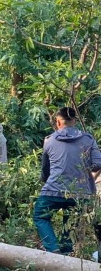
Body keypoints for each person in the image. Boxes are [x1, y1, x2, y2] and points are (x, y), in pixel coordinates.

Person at [33, 107, 101, 255]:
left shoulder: (49, 141)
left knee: (40, 216)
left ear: (58, 121)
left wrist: (48, 183)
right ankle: (65, 253)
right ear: (74, 121)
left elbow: (45, 171)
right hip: (80, 193)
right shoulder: (88, 139)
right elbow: (98, 164)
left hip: (53, 190)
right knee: (70, 223)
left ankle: (53, 250)